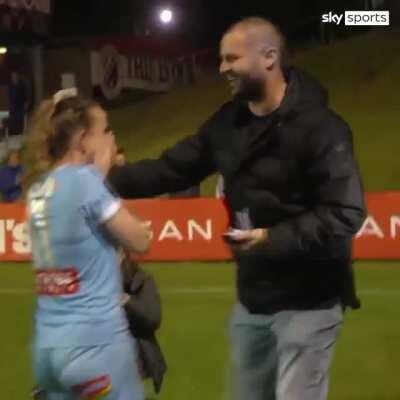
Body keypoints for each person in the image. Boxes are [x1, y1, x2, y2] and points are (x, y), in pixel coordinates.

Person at [109, 17, 366, 400]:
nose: (222, 68)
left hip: (312, 300)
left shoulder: (323, 129)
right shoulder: (226, 124)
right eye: (221, 59)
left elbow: (346, 211)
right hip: (254, 301)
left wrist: (270, 238)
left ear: (268, 58)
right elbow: (171, 169)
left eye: (231, 58)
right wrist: (101, 177)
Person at [26, 88, 152, 400]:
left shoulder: (39, 189)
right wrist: (103, 169)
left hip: (49, 349)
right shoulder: (85, 181)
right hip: (96, 345)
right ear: (83, 139)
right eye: (105, 130)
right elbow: (140, 241)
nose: (110, 138)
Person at [8, 71, 29, 136]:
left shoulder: (21, 85)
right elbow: (10, 96)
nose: (14, 78)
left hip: (20, 105)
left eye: (15, 76)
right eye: (13, 77)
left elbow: (25, 96)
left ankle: (20, 132)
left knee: (20, 118)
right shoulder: (11, 86)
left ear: (17, 77)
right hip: (13, 105)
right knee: (13, 119)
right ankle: (13, 132)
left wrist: (26, 103)